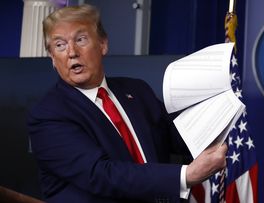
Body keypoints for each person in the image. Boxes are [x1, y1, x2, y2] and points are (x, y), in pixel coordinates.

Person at [27, 4, 227, 203]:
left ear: (103, 44)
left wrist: (223, 120)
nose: (72, 52)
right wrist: (185, 176)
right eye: (60, 45)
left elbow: (182, 140)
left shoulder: (137, 91)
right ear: (53, 58)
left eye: (81, 39)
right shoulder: (48, 115)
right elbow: (101, 174)